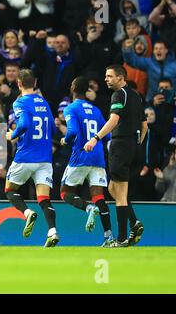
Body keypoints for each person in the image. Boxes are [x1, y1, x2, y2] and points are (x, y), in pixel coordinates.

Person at [84, 65, 148, 247]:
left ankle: (120, 239)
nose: (106, 79)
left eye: (109, 76)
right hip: (134, 147)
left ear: (120, 78)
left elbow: (114, 119)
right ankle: (134, 222)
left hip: (121, 146)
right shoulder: (135, 95)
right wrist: (136, 146)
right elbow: (145, 126)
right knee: (114, 189)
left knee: (119, 194)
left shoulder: (119, 95)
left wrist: (96, 138)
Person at [5, 69, 59, 248]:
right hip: (44, 158)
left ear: (19, 83)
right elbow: (53, 128)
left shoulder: (20, 102)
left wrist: (12, 134)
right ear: (34, 83)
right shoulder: (44, 102)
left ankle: (27, 213)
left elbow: (25, 124)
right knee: (44, 197)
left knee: (10, 189)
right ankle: (52, 232)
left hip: (26, 156)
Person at [60, 77, 113, 246]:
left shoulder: (71, 108)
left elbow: (73, 131)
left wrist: (65, 140)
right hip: (98, 157)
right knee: (98, 196)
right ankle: (108, 236)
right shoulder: (96, 110)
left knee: (64, 193)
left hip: (81, 156)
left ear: (73, 88)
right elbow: (107, 135)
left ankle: (88, 208)